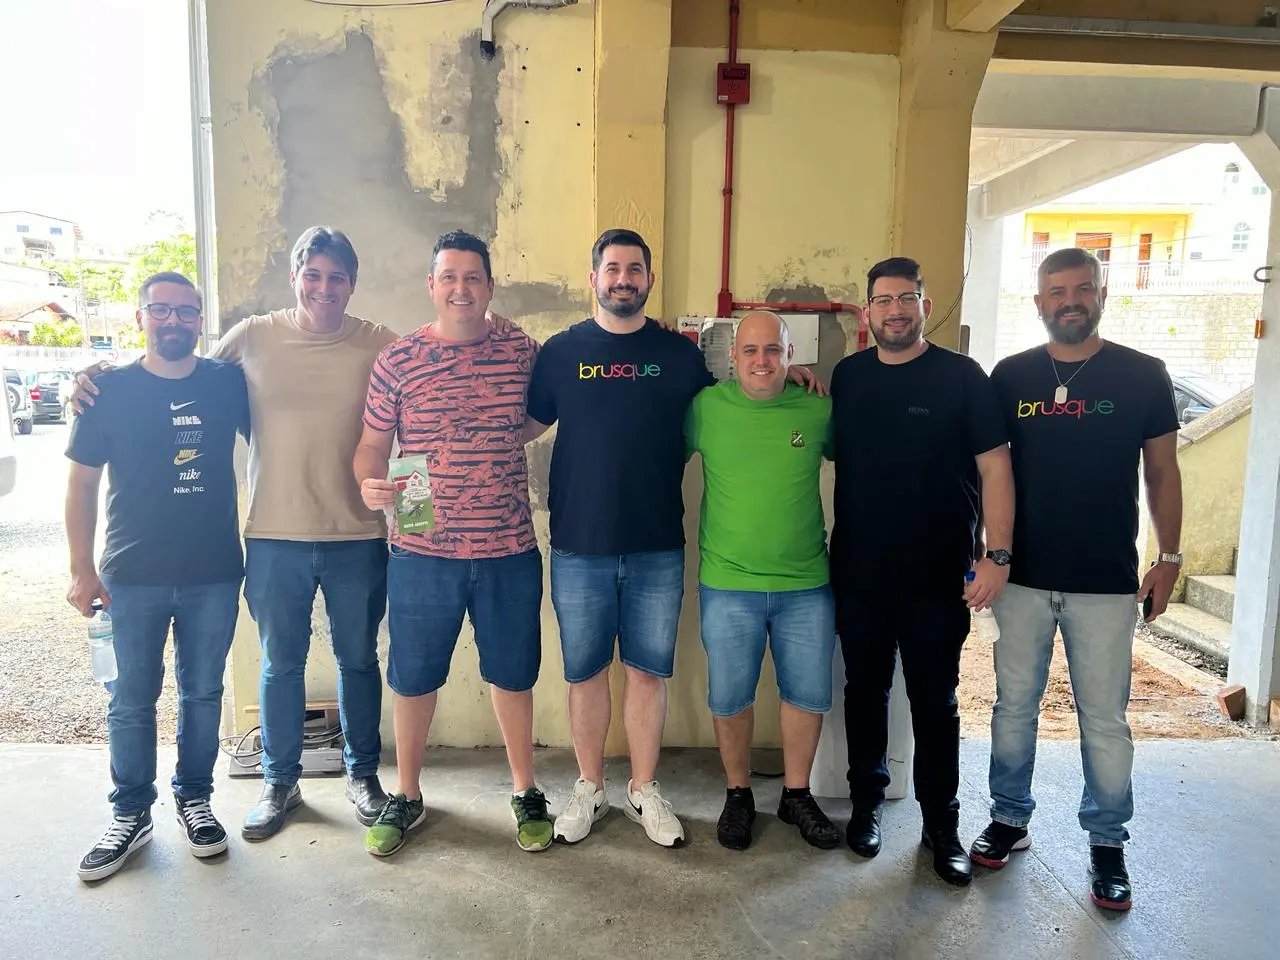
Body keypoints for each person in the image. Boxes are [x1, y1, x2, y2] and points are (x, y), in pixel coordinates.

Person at [74, 227, 396, 838]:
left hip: (357, 535)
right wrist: (96, 379)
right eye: (313, 274)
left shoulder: (378, 342)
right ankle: (280, 783)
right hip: (274, 535)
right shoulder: (252, 337)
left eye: (337, 277)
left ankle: (363, 776)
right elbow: (176, 371)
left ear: (353, 284)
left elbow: (430, 378)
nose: (324, 287)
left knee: (358, 659)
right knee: (280, 664)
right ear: (295, 277)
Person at [972, 247, 1182, 912]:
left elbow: (1163, 472)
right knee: (1013, 707)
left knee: (1104, 719)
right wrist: (989, 551)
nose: (1070, 300)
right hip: (1024, 579)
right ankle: (1009, 817)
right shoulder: (1012, 376)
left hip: (1106, 582)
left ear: (1101, 294)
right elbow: (989, 468)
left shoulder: (1143, 374)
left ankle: (1108, 843)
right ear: (1039, 302)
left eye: (1082, 289)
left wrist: (1169, 557)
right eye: (1057, 291)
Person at [353, 230, 551, 856]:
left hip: (507, 547)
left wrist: (491, 444)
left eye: (472, 277)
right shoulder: (399, 359)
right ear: (432, 285)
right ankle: (407, 793)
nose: (461, 288)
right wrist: (368, 483)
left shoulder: (523, 351)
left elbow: (540, 414)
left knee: (512, 676)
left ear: (490, 286)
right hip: (421, 550)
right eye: (449, 277)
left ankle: (525, 789)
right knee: (413, 678)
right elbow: (372, 445)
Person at [831, 256, 1014, 887]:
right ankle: (867, 804)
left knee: (935, 703)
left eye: (906, 298)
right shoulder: (848, 377)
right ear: (868, 312)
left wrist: (997, 554)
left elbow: (995, 466)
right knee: (864, 693)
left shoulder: (962, 377)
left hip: (939, 578)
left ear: (925, 306)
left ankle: (941, 824)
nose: (895, 310)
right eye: (883, 300)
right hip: (860, 573)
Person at [65, 272, 249, 881]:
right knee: (130, 701)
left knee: (203, 694)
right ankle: (130, 814)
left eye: (186, 312)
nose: (174, 321)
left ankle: (195, 800)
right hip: (131, 575)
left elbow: (291, 412)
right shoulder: (106, 391)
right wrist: (81, 568)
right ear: (140, 316)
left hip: (212, 573)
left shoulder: (226, 383)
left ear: (200, 320)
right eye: (161, 310)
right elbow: (82, 483)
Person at [685, 311, 840, 852]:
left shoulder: (818, 409)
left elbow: (869, 465)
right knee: (730, 698)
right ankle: (738, 794)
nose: (761, 360)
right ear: (733, 356)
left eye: (773, 350)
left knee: (808, 695)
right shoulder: (705, 408)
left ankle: (796, 795)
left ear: (791, 355)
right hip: (728, 583)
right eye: (750, 350)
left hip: (806, 583)